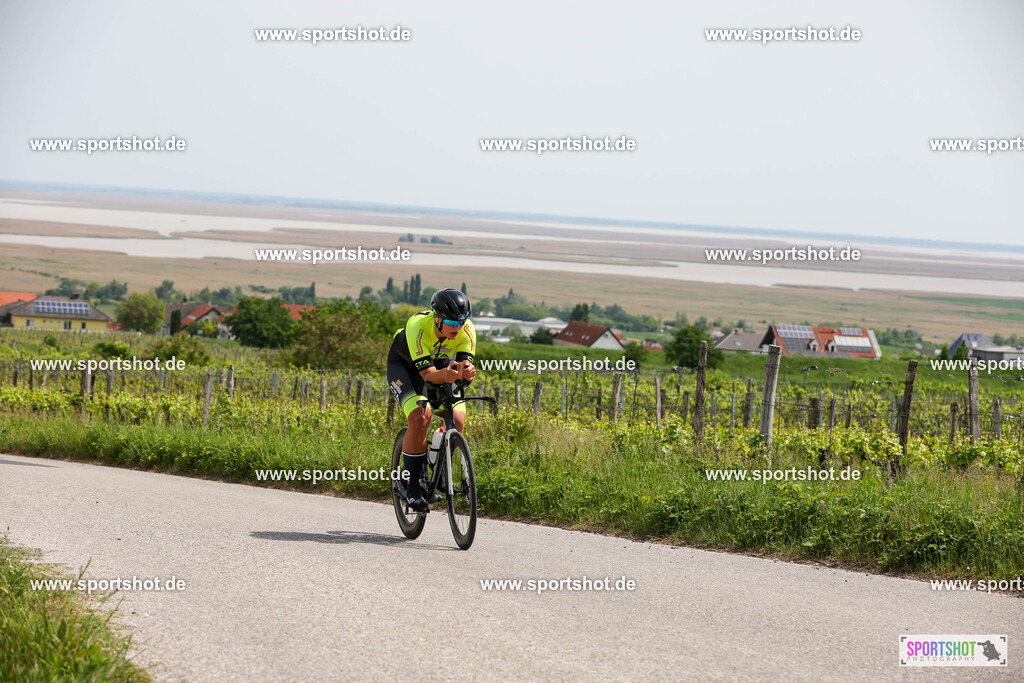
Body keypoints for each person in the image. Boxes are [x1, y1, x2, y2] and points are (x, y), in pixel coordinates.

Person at [387, 288, 477, 511]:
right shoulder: (417, 326)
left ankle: (441, 467)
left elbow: (461, 369)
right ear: (437, 319)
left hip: (438, 366)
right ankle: (412, 484)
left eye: (461, 323)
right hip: (405, 369)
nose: (458, 328)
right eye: (452, 323)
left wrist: (466, 374)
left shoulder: (466, 329)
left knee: (457, 417)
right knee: (420, 416)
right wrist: (446, 375)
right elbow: (427, 376)